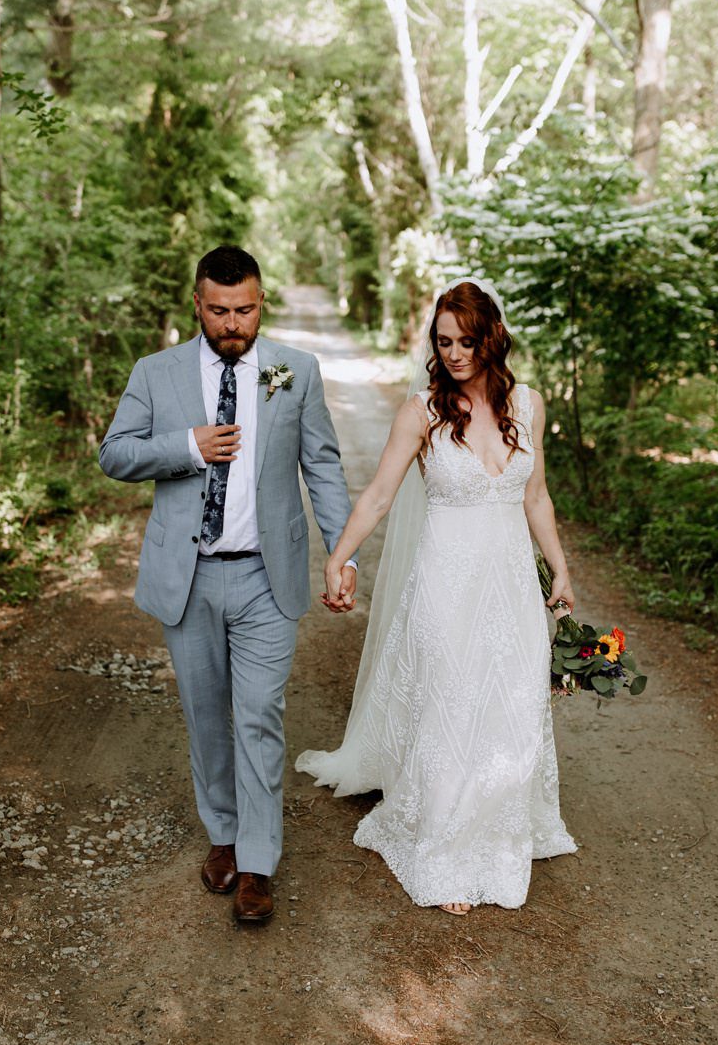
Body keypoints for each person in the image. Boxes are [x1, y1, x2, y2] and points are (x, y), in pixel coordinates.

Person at [295, 278, 578, 914]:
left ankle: (497, 832)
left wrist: (558, 569)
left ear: (492, 338)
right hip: (444, 586)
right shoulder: (422, 410)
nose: (454, 354)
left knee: (507, 706)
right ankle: (447, 854)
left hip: (508, 585)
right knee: (450, 709)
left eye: (467, 341)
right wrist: (338, 556)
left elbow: (535, 497)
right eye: (444, 341)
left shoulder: (527, 405)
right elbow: (377, 496)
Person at [98, 245, 355, 925]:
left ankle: (258, 861)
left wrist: (345, 553)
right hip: (189, 578)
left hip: (267, 579)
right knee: (207, 719)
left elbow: (322, 468)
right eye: (219, 310)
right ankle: (223, 834)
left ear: (260, 303)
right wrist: (186, 447)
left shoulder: (292, 371)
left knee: (260, 718)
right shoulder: (157, 373)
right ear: (197, 304)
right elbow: (115, 452)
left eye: (244, 310)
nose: (233, 323)